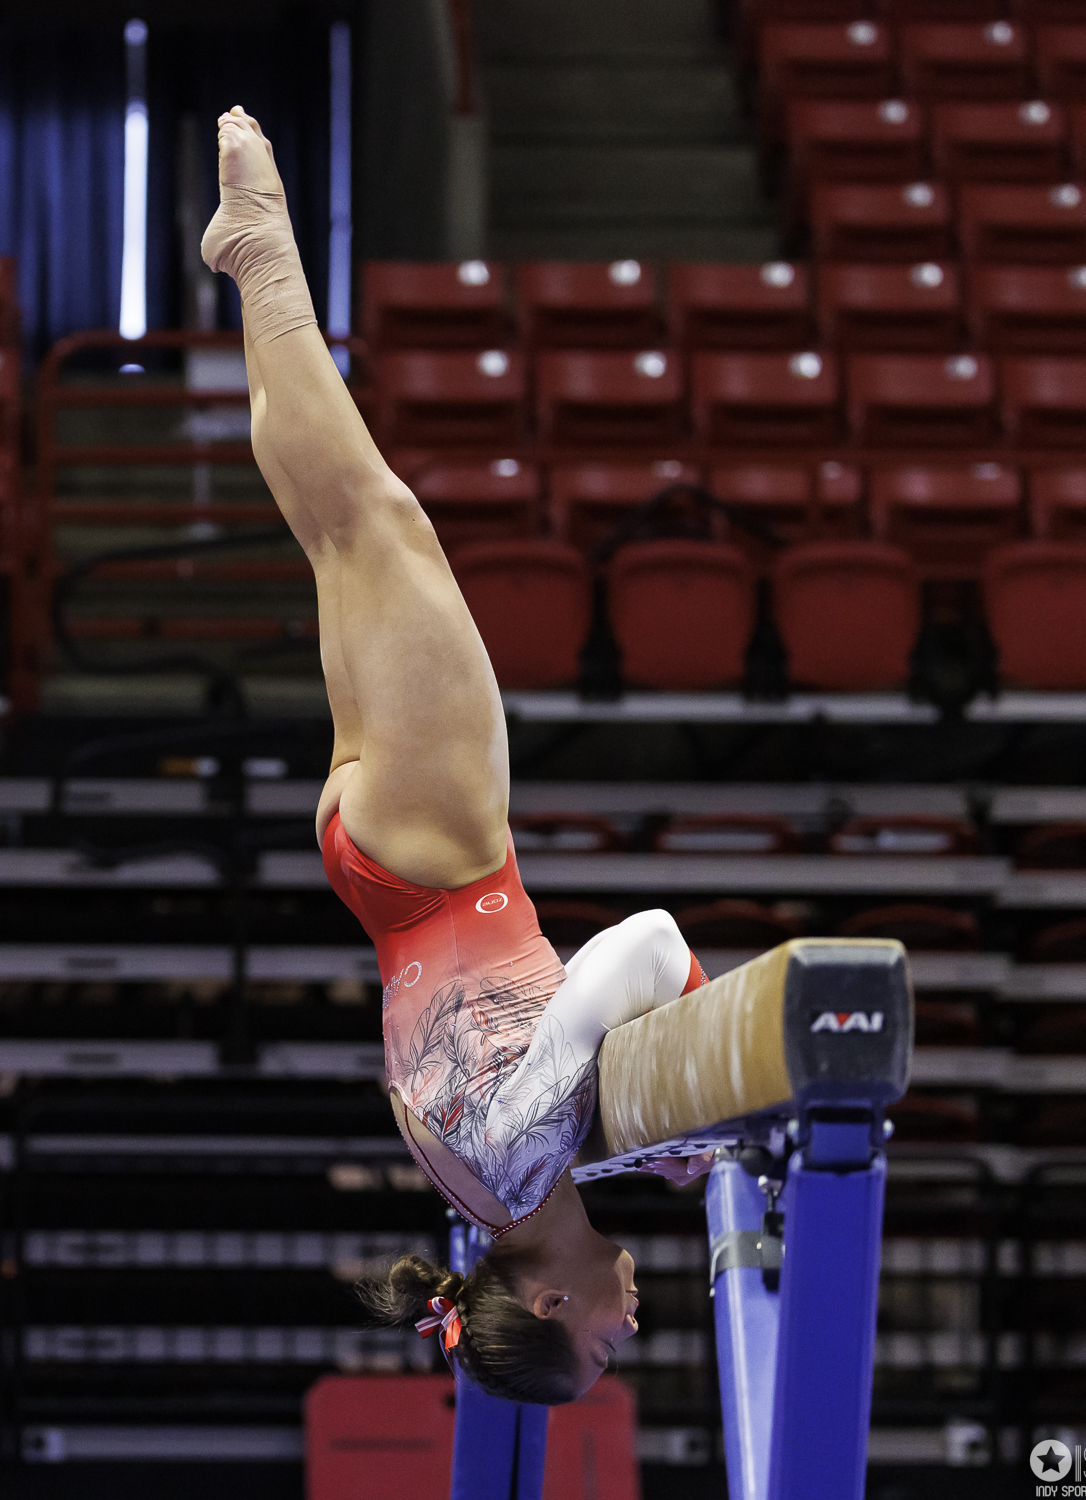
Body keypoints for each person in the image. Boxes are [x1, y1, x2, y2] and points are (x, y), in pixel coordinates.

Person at [201, 107, 712, 1405]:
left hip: (446, 856)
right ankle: (251, 256)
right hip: (382, 873)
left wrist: (697, 1076)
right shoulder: (499, 1191)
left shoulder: (526, 1157)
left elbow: (644, 946)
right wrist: (647, 1142)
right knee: (340, 536)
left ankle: (261, 249)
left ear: (550, 1305)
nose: (632, 1327)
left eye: (601, 1345)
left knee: (373, 518)